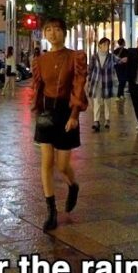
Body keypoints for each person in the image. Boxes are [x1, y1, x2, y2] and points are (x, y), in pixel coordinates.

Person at [30, 17, 87, 231]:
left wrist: (74, 115)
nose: (52, 33)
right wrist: (36, 111)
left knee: (62, 165)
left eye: (56, 29)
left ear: (64, 32)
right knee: (46, 161)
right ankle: (51, 210)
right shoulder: (40, 61)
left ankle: (73, 185)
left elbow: (79, 86)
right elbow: (38, 87)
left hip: (66, 111)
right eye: (48, 30)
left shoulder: (75, 57)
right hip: (46, 112)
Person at [87, 37, 118, 132]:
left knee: (107, 102)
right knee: (96, 102)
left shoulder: (111, 56)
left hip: (107, 82)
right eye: (104, 44)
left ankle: (107, 120)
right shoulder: (94, 56)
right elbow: (90, 68)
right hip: (96, 82)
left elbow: (119, 60)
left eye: (107, 44)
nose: (106, 46)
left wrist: (125, 59)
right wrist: (89, 80)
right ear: (99, 45)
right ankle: (96, 121)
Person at [113, 38, 129, 104]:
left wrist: (119, 60)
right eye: (124, 42)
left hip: (118, 67)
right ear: (123, 43)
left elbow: (114, 59)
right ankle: (119, 95)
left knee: (122, 80)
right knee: (122, 80)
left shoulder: (115, 51)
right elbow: (127, 59)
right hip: (123, 67)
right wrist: (123, 60)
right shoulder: (126, 51)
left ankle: (121, 94)